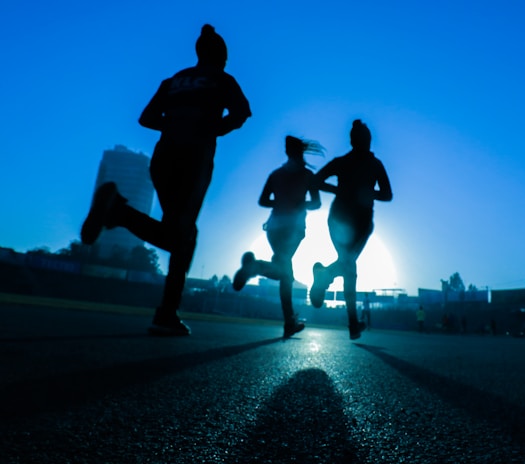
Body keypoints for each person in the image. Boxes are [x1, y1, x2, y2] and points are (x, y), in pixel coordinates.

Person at [80, 24, 251, 336]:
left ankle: (166, 311)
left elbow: (145, 118)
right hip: (195, 159)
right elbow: (242, 113)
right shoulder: (222, 80)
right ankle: (120, 215)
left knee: (182, 233)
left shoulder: (173, 81)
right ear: (222, 56)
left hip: (164, 158)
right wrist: (210, 128)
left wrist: (174, 124)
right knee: (182, 235)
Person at [309, 119, 393, 340]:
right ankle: (352, 323)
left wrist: (342, 190)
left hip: (349, 222)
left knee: (348, 265)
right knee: (349, 266)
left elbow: (316, 182)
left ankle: (324, 276)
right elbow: (387, 195)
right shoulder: (373, 165)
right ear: (366, 141)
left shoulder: (346, 162)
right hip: (354, 222)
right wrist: (362, 193)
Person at [232, 136, 323, 338]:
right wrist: (299, 204)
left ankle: (289, 320)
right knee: (286, 274)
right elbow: (317, 204)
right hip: (293, 229)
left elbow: (263, 200)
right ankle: (255, 268)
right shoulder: (308, 176)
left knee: (285, 273)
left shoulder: (276, 174)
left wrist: (281, 202)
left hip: (273, 228)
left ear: (287, 153)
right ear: (301, 152)